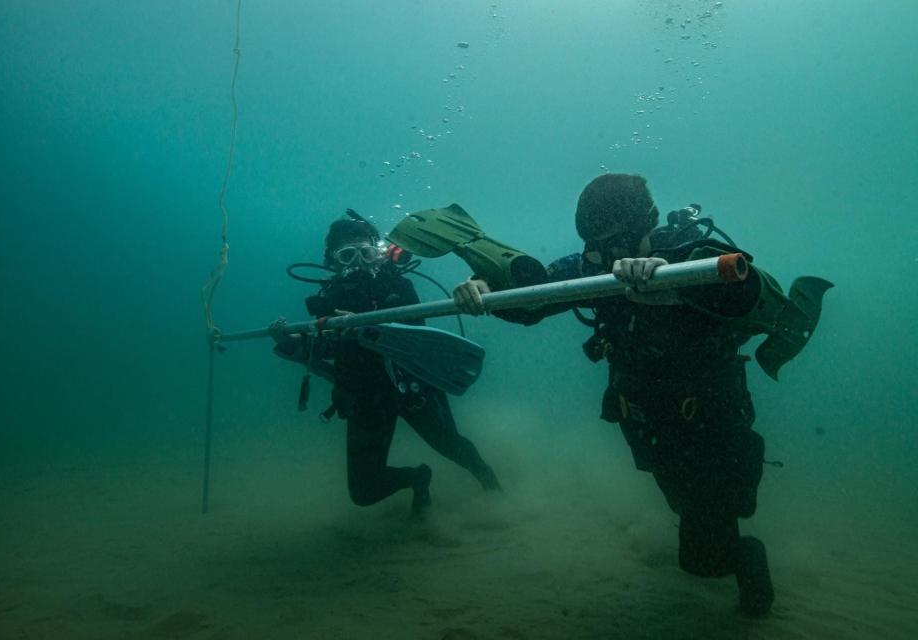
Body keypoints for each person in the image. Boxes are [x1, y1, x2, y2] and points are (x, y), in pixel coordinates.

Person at [451, 173, 831, 616]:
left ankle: (748, 565)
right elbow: (531, 301)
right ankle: (717, 538)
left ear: (647, 224)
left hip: (711, 423)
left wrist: (674, 285)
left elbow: (749, 289)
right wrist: (482, 286)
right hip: (647, 423)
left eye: (619, 243)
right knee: (685, 508)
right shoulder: (591, 265)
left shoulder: (689, 253)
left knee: (705, 553)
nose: (609, 256)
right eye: (597, 246)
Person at [272, 212, 501, 517]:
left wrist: (364, 329)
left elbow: (418, 335)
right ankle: (419, 478)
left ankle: (492, 485)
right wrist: (288, 341)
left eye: (366, 253)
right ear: (333, 261)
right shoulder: (327, 300)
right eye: (347, 255)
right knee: (363, 492)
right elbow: (320, 350)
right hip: (365, 397)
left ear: (378, 255)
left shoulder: (399, 286)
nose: (358, 263)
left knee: (451, 446)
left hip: (413, 387)